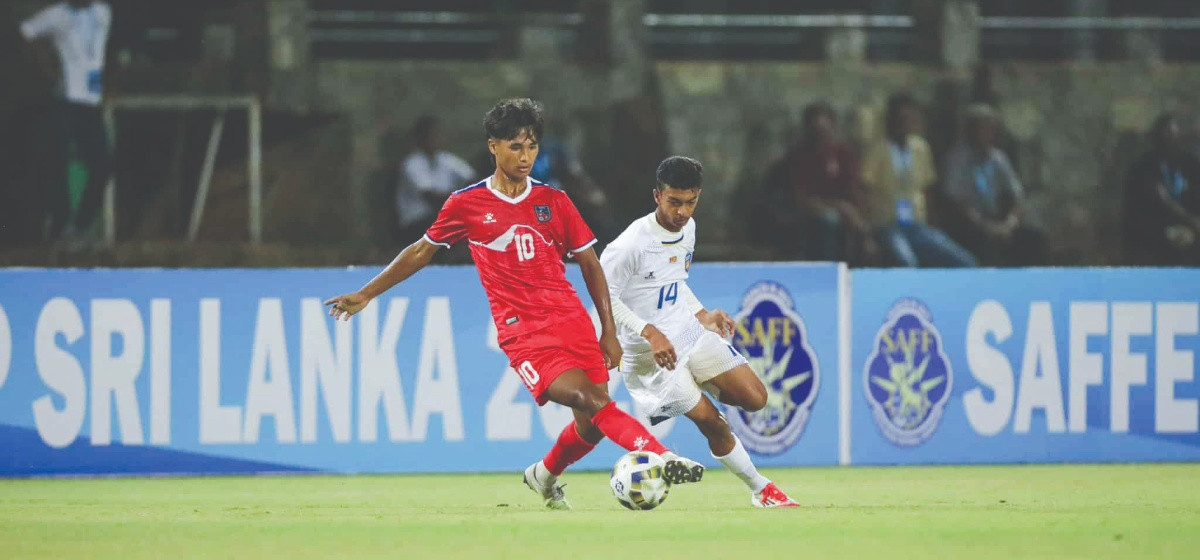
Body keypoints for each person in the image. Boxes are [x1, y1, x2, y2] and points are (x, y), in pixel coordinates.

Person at [324, 99, 704, 510]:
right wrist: (367, 292)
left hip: (571, 320)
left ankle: (543, 475)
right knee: (592, 401)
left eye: (532, 147)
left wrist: (607, 330)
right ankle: (662, 456)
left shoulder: (554, 200)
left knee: (592, 425)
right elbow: (421, 251)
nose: (525, 157)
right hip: (524, 332)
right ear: (493, 147)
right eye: (515, 147)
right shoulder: (466, 203)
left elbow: (591, 265)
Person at [599, 156, 799, 508]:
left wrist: (703, 314)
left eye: (690, 202)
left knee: (755, 398)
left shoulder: (688, 229)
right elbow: (604, 295)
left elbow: (674, 281)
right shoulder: (630, 245)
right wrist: (649, 332)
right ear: (657, 196)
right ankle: (761, 489)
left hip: (688, 333)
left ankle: (699, 392)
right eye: (674, 202)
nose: (682, 212)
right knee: (714, 424)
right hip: (651, 356)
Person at [20, 0, 113, 241]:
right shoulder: (57, 15)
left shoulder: (102, 12)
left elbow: (101, 51)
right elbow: (26, 32)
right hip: (66, 99)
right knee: (58, 162)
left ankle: (80, 225)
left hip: (91, 100)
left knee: (102, 164)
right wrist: (47, 67)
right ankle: (60, 223)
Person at [860, 93, 976, 267]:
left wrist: (933, 224)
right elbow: (864, 190)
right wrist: (867, 234)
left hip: (917, 225)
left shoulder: (920, 148)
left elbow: (928, 188)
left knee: (964, 262)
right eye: (901, 119)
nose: (905, 123)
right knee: (907, 262)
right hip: (888, 225)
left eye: (910, 118)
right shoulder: (877, 150)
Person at [941, 104, 1047, 266]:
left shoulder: (999, 159)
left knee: (1034, 238)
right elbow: (955, 202)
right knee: (986, 244)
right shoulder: (957, 159)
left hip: (999, 221)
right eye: (982, 128)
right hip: (971, 225)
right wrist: (986, 226)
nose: (987, 134)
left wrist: (1009, 224)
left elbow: (1016, 195)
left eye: (991, 129)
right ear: (970, 130)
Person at [783, 102, 874, 262]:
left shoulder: (843, 154)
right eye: (815, 130)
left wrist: (857, 216)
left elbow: (853, 189)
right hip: (812, 214)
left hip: (845, 213)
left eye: (824, 130)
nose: (820, 135)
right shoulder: (799, 156)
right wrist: (836, 206)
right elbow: (800, 198)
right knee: (829, 221)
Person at [1123, 113, 1200, 265]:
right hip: (1157, 230)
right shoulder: (1145, 168)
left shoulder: (1190, 165)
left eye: (1175, 137)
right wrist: (1191, 222)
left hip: (1189, 227)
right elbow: (1161, 201)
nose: (1172, 143)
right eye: (1166, 138)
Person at [394, 115, 476, 243]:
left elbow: (473, 179)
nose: (435, 139)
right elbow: (430, 197)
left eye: (437, 134)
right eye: (430, 135)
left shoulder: (446, 159)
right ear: (420, 138)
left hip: (441, 216)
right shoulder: (412, 163)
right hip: (416, 222)